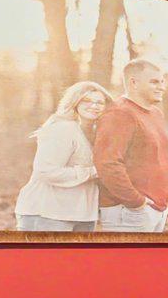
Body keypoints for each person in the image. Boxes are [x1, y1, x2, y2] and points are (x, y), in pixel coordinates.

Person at [14, 80, 112, 232]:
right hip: (47, 212)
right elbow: (46, 171)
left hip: (82, 214)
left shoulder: (98, 132)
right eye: (86, 100)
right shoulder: (62, 128)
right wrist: (95, 171)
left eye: (99, 102)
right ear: (75, 102)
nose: (94, 105)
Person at [94, 60, 168, 232]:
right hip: (128, 211)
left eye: (162, 81)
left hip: (156, 209)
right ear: (133, 83)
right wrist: (136, 202)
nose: (162, 87)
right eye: (154, 82)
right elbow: (108, 164)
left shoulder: (156, 113)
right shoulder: (119, 114)